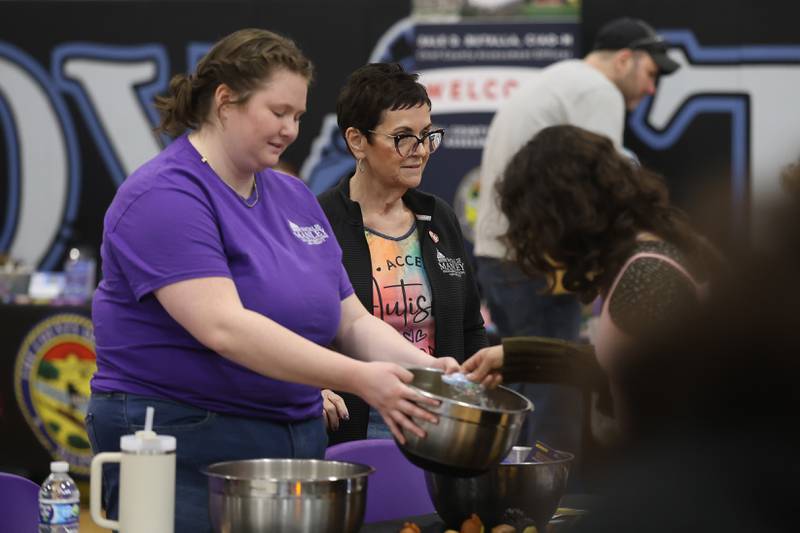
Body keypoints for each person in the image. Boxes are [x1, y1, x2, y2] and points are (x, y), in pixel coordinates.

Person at [86, 29, 458, 533]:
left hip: (289, 443)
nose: (290, 129)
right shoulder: (163, 195)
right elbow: (225, 328)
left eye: (299, 116)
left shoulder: (292, 195)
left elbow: (350, 319)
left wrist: (430, 371)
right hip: (183, 444)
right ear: (224, 102)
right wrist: (356, 378)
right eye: (278, 112)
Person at [473, 17, 681, 457]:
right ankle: (549, 515)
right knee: (556, 399)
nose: (651, 90)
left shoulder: (561, 79)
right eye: (650, 74)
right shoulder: (596, 89)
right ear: (624, 59)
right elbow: (605, 187)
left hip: (504, 259)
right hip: (535, 265)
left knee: (530, 391)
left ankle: (523, 509)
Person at [464, 125, 718, 436]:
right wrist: (517, 358)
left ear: (562, 216)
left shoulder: (646, 280)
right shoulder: (643, 258)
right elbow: (622, 364)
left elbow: (673, 420)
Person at [318, 63, 487, 442]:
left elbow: (470, 328)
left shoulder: (438, 216)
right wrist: (307, 390)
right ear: (357, 141)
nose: (421, 150)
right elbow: (291, 330)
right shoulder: (319, 221)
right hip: (354, 429)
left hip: (436, 426)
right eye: (403, 137)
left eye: (428, 135)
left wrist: (472, 399)